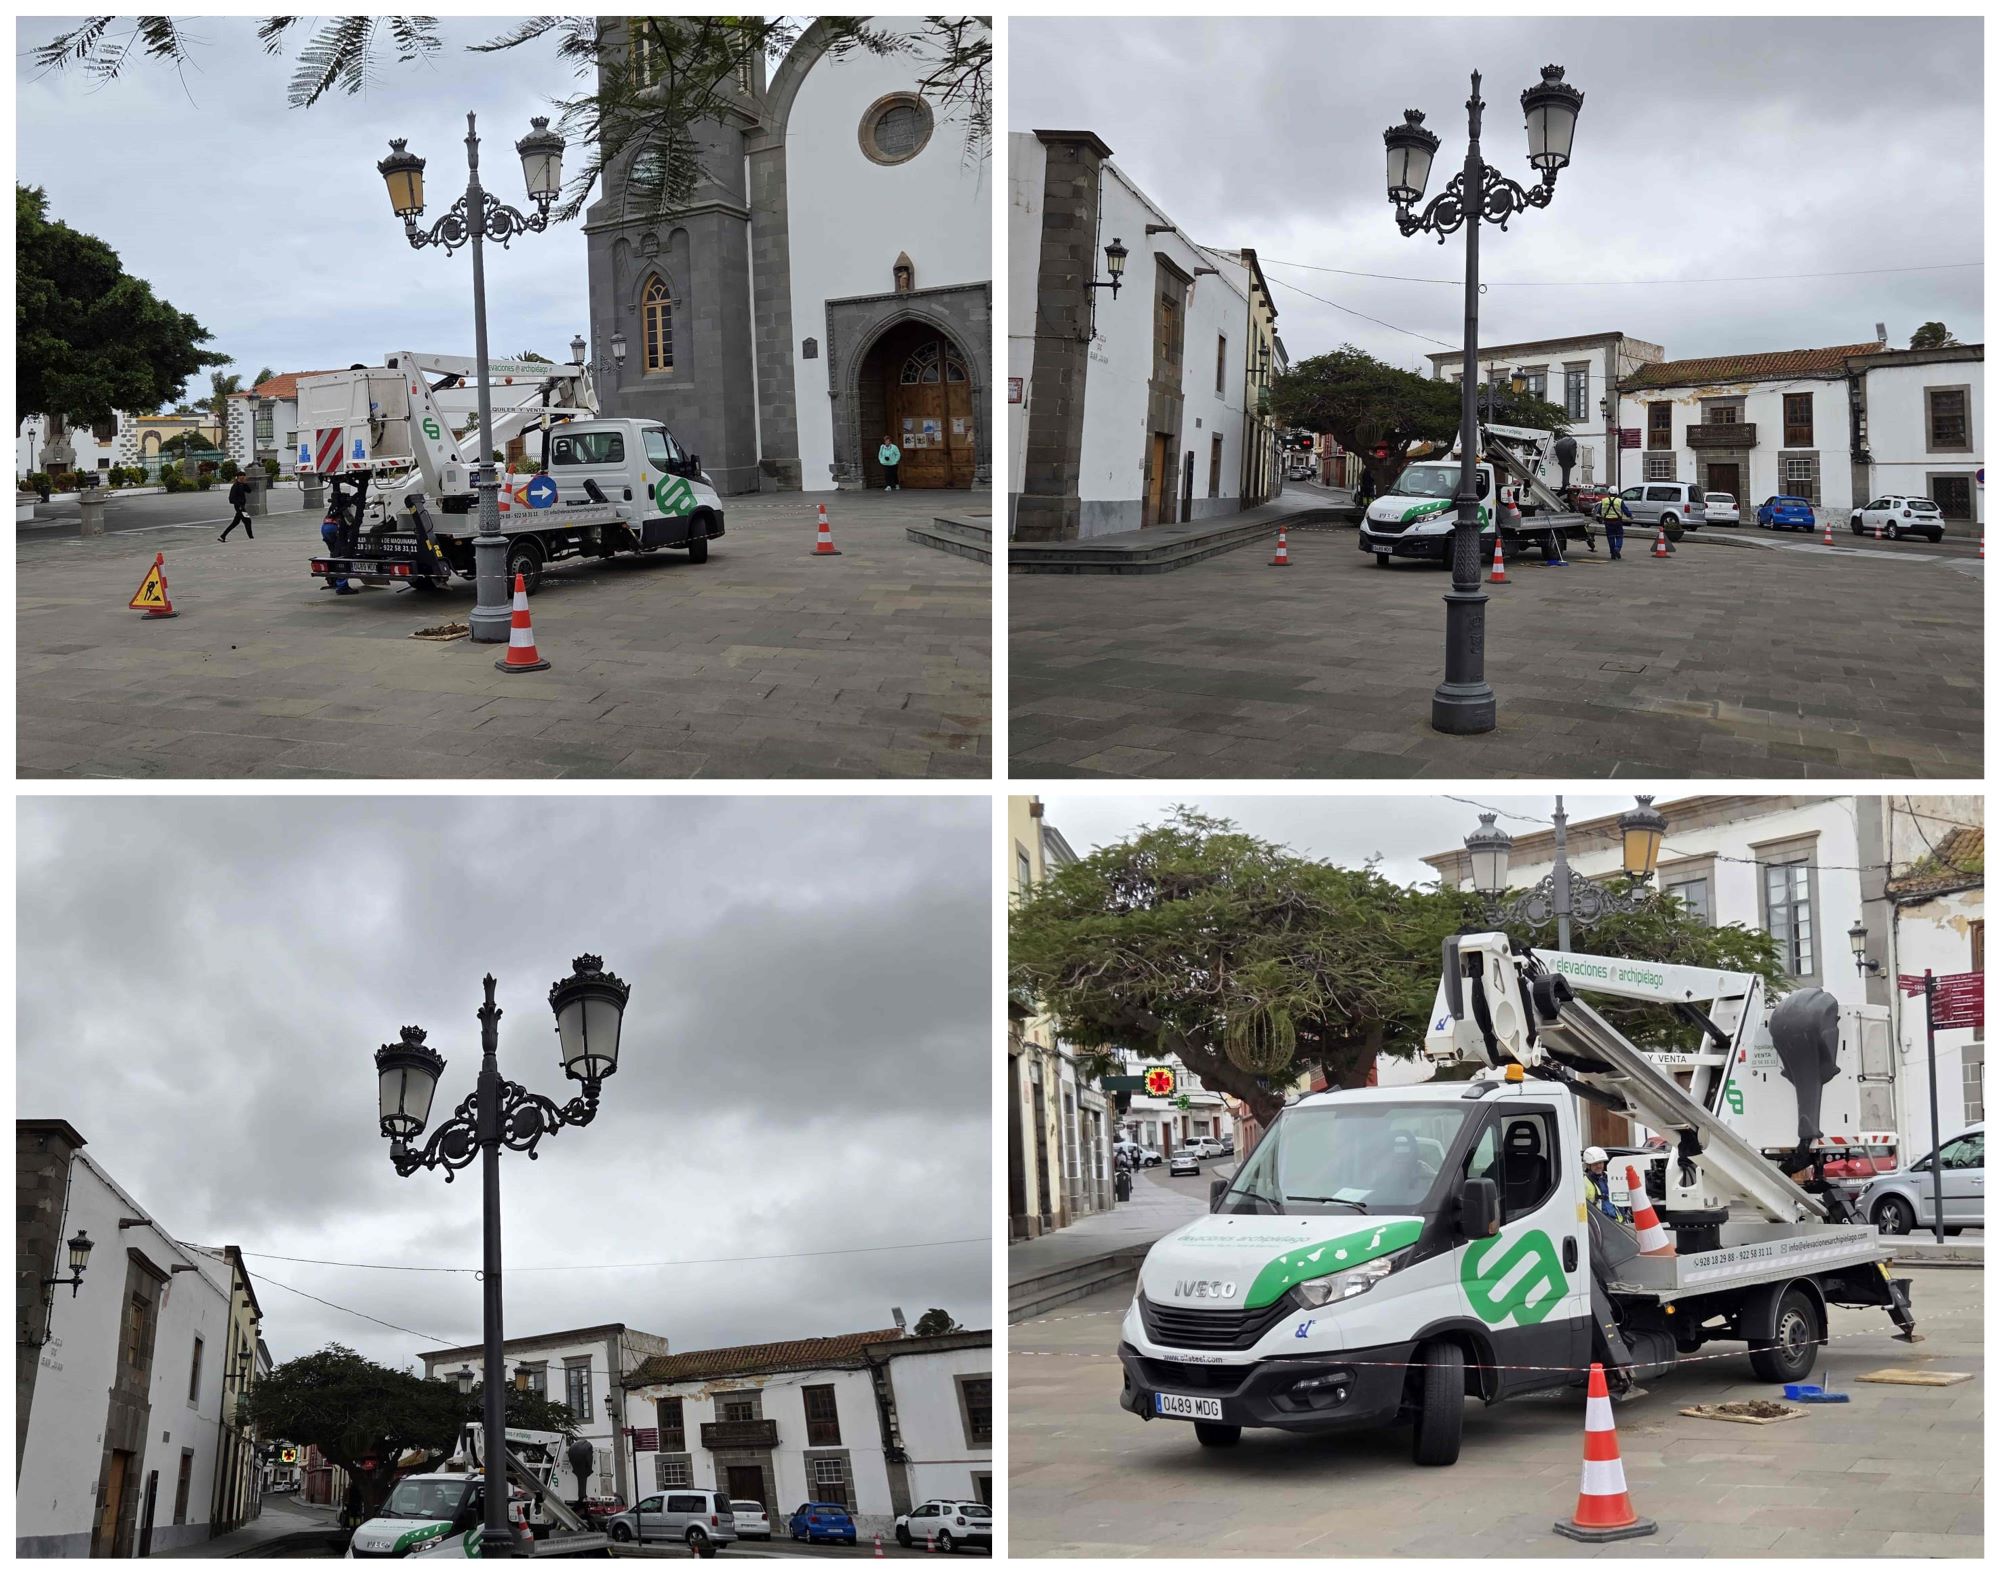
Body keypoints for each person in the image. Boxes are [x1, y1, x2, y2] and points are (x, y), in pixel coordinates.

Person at [218, 467, 254, 541]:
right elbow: (231, 499)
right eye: (242, 476)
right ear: (238, 477)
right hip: (239, 507)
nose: (244, 477)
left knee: (235, 522)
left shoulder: (242, 485)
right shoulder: (235, 486)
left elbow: (249, 491)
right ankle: (251, 537)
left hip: (241, 506)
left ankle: (222, 536)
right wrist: (239, 505)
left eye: (244, 475)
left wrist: (245, 483)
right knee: (247, 520)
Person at [1583, 1146, 1619, 1218]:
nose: (1599, 1166)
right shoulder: (1584, 1182)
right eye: (1595, 1164)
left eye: (1601, 1163)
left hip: (1616, 1221)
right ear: (1588, 1165)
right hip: (1600, 1222)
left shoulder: (1610, 1176)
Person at [1596, 489, 1632, 560]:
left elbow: (1599, 511)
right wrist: (1630, 516)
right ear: (1617, 493)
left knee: (1610, 537)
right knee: (1619, 536)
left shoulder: (1604, 500)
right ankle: (1617, 548)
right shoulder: (1619, 501)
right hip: (1617, 521)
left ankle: (1612, 553)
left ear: (1609, 493)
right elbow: (1626, 511)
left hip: (1607, 521)